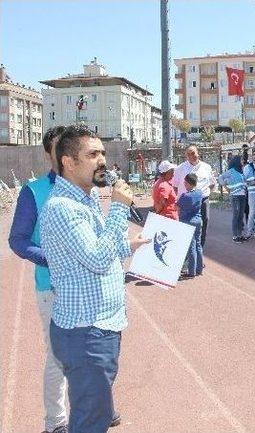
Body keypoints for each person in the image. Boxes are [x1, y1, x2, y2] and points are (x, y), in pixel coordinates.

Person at [40, 125, 149, 433]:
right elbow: (99, 260)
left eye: (102, 152)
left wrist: (129, 244)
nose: (102, 160)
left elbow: (98, 249)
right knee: (90, 422)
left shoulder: (85, 200)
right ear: (68, 162)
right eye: (92, 154)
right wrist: (118, 207)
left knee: (93, 413)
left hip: (97, 327)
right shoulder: (64, 208)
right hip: (86, 332)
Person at [8, 126, 71, 433]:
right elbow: (18, 240)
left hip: (88, 287)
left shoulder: (86, 189)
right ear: (50, 153)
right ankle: (56, 422)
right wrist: (53, 258)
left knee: (94, 352)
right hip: (53, 289)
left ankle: (98, 406)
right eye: (61, 147)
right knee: (58, 358)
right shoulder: (33, 191)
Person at [173, 145, 214, 246]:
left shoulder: (206, 167)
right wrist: (179, 200)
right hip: (187, 202)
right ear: (186, 156)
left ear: (197, 153)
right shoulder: (180, 169)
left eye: (193, 153)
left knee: (204, 223)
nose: (191, 156)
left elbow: (212, 183)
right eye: (188, 154)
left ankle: (199, 250)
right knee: (186, 225)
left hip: (203, 200)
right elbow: (174, 186)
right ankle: (186, 253)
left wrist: (206, 194)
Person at [177, 173, 203, 278]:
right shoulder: (199, 193)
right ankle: (199, 269)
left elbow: (177, 207)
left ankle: (191, 271)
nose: (184, 183)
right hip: (198, 220)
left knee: (191, 246)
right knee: (198, 245)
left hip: (187, 221)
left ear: (188, 183)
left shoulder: (185, 196)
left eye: (185, 182)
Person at [217, 156, 247, 244]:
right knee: (236, 215)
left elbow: (243, 182)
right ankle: (235, 235)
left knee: (241, 215)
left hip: (242, 195)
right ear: (237, 161)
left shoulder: (242, 170)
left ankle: (240, 234)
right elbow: (220, 178)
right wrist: (226, 186)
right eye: (241, 160)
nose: (243, 161)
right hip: (235, 196)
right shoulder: (231, 171)